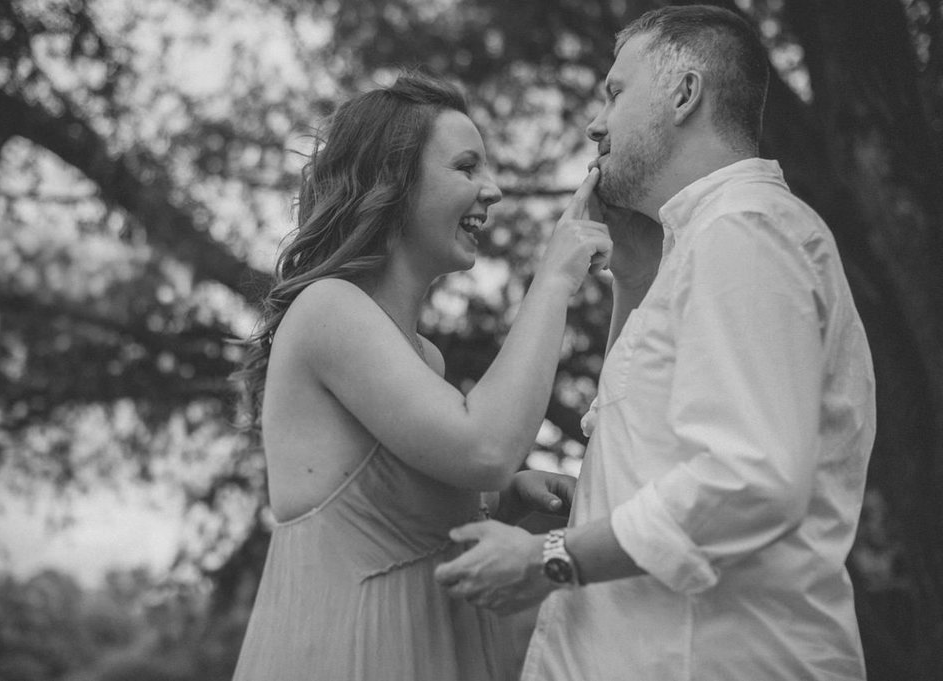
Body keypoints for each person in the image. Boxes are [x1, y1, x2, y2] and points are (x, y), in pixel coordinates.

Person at [435, 5, 877, 681]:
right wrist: (635, 277)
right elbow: (649, 459)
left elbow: (749, 478)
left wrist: (548, 557)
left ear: (684, 93)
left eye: (615, 93)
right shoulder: (701, 245)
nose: (595, 124)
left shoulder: (744, 229)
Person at [229, 71, 612, 681]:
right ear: (395, 183)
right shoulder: (329, 309)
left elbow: (410, 531)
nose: (493, 190)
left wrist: (503, 504)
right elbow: (484, 448)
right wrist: (554, 280)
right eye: (466, 167)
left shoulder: (423, 357)